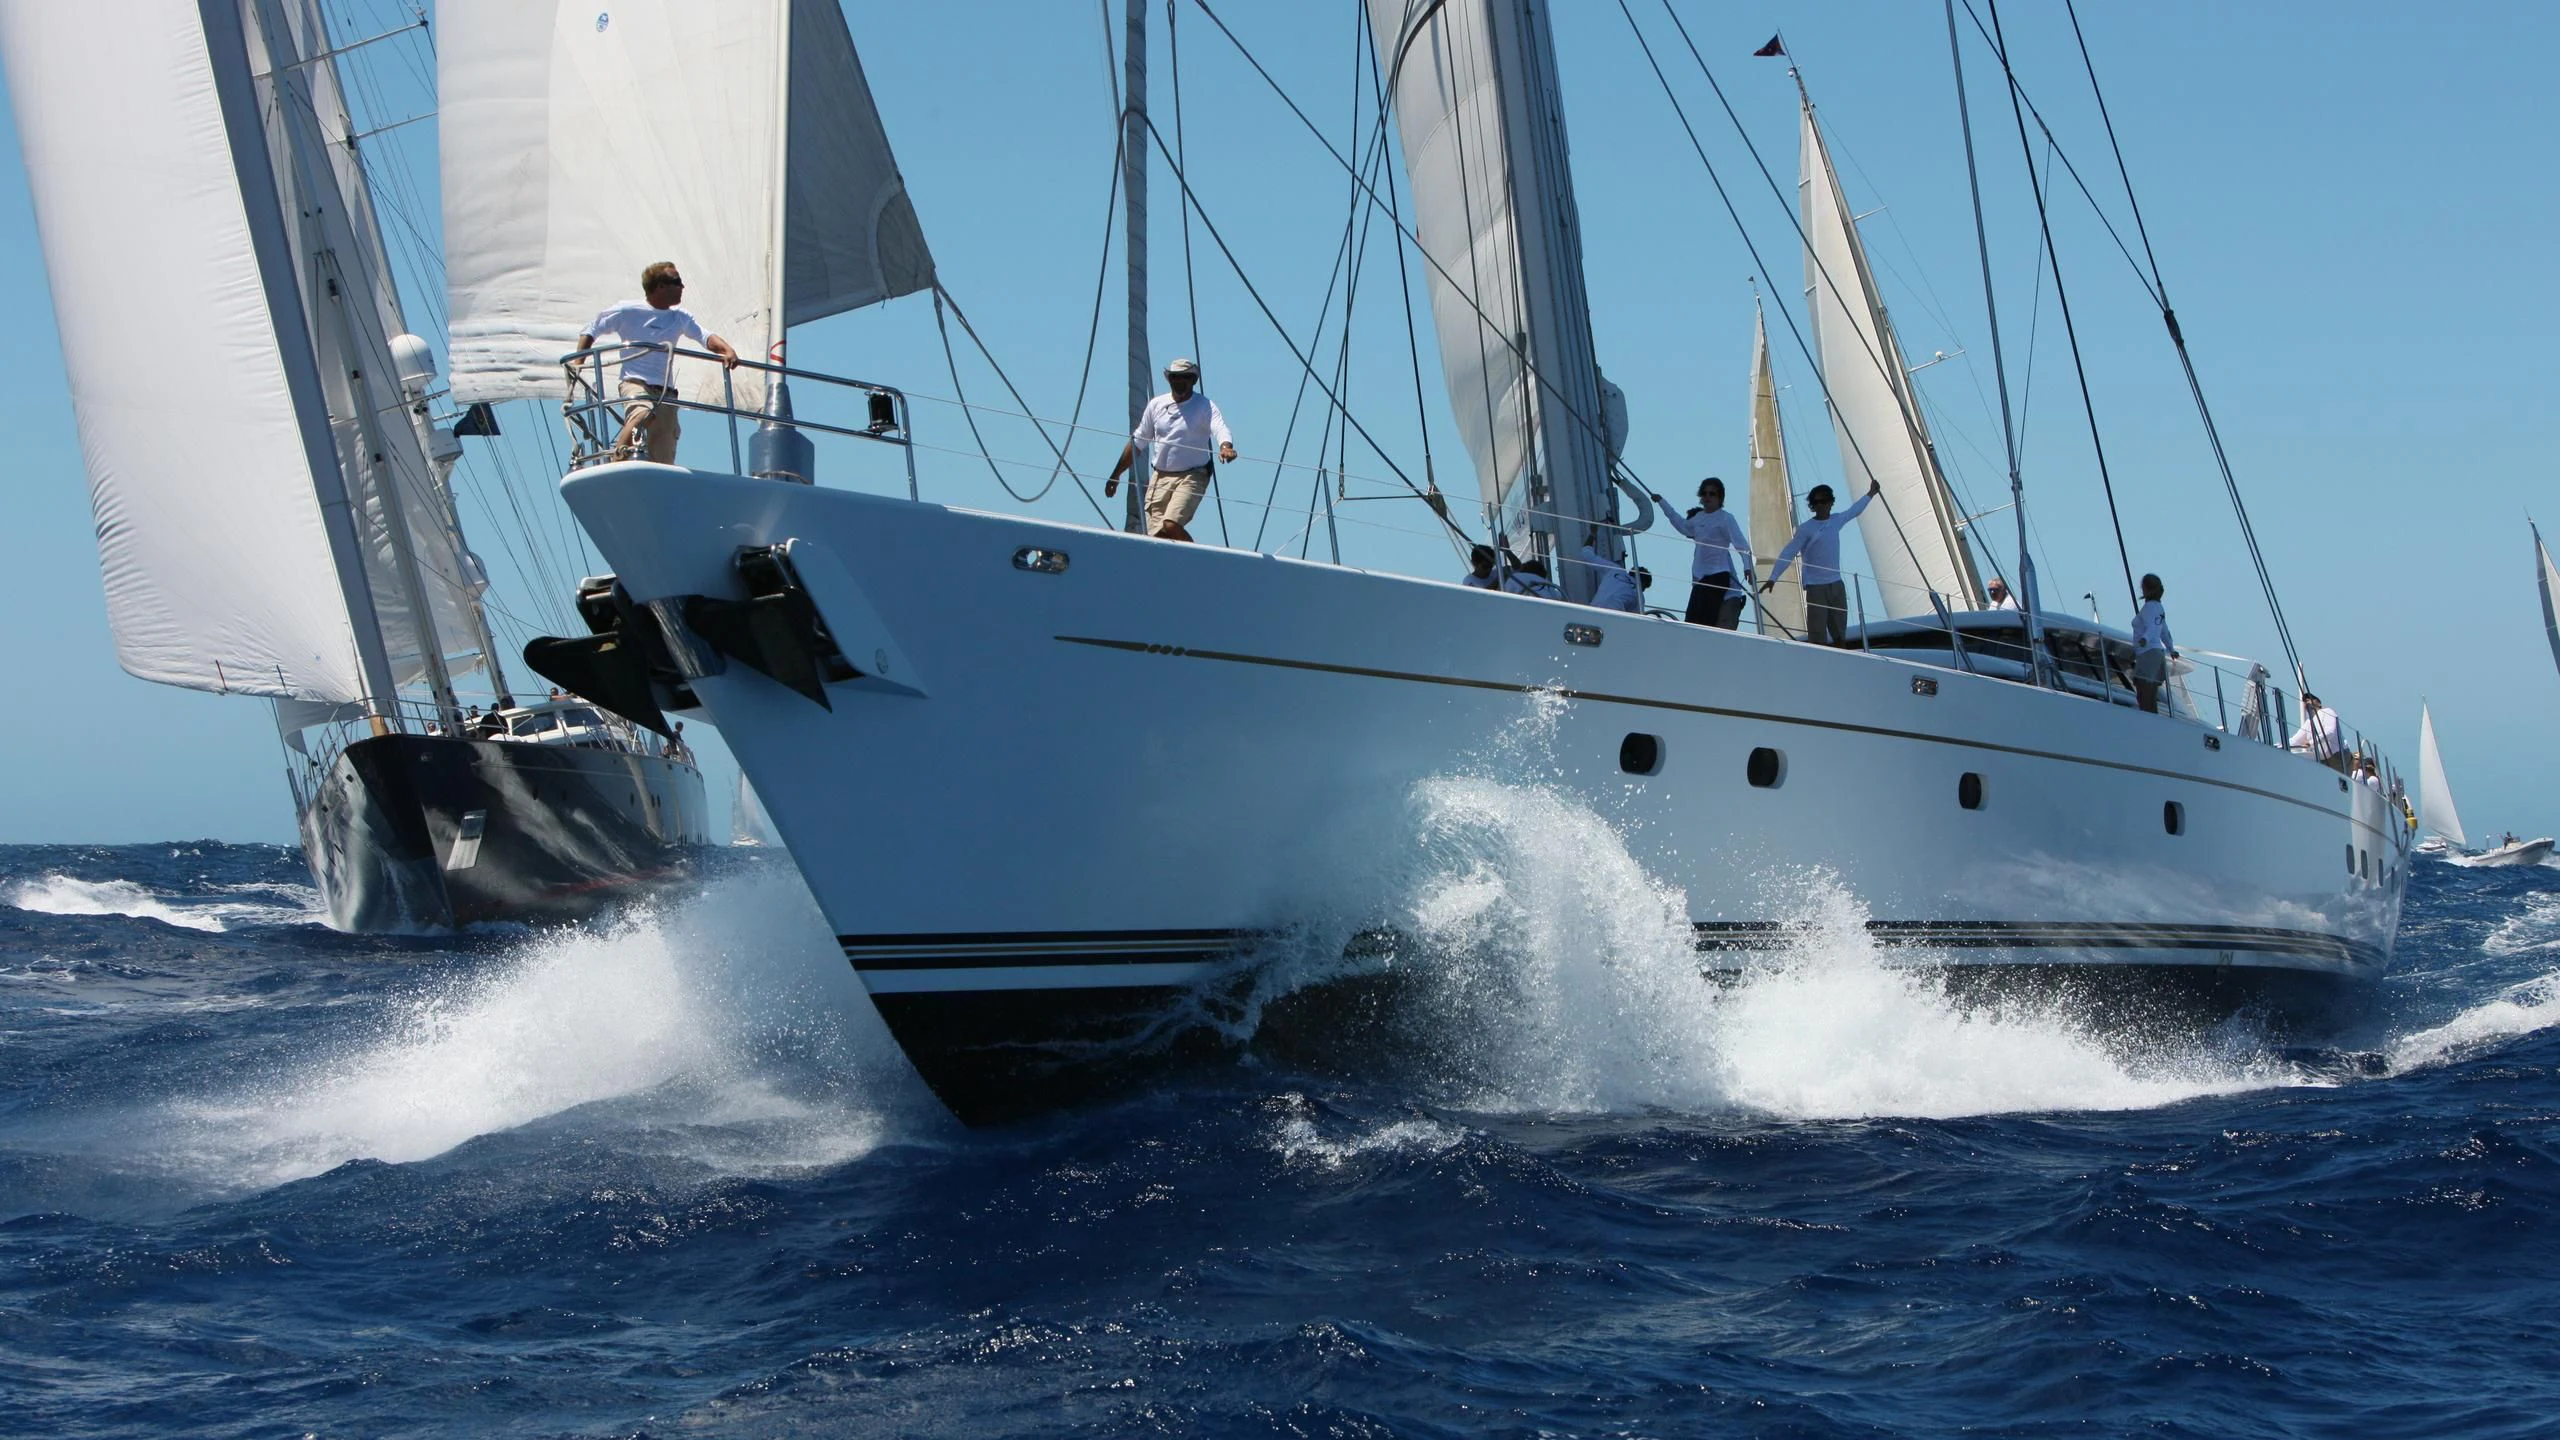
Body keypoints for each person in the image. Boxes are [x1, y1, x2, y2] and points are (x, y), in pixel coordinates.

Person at [576, 261, 741, 463]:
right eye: (677, 281)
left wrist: (726, 350)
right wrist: (578, 364)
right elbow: (591, 329)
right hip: (635, 383)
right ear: (661, 286)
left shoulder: (680, 317)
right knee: (643, 413)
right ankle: (617, 460)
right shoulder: (628, 311)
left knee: (664, 453)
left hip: (666, 391)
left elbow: (704, 336)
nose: (682, 287)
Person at [1106, 357, 1237, 542]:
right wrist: (1115, 474)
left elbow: (1220, 428)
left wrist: (1225, 446)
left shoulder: (1204, 406)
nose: (1179, 381)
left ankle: (1198, 560)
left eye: (1185, 377)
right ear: (1169, 379)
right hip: (1160, 477)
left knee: (1171, 524)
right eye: (1175, 377)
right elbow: (1138, 443)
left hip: (1193, 475)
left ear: (1193, 380)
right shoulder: (1156, 405)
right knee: (1158, 537)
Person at [1761, 480, 1879, 646]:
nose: (1820, 505)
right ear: (1812, 506)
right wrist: (1773, 577)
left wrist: (1871, 493)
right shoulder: (1806, 529)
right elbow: (1789, 552)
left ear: (1830, 503)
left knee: (1839, 634)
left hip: (1836, 585)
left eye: (1823, 501)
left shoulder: (1837, 520)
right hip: (1816, 587)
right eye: (1816, 502)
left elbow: (1854, 511)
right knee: (1818, 636)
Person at [1648, 477, 1755, 629]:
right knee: (1691, 620)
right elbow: (1682, 526)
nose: (1707, 497)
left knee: (1706, 621)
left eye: (1712, 494)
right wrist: (1662, 503)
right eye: (1704, 494)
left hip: (1718, 576)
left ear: (1720, 497)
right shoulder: (1698, 518)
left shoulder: (1726, 518)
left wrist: (1747, 566)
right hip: (1700, 579)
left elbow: (1741, 543)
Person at [2130, 573, 2173, 714]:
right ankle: (2152, 716)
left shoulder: (2149, 608)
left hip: (2147, 652)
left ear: (2145, 588)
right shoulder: (2159, 608)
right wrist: (2171, 649)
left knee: (2143, 687)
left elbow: (2152, 628)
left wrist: (2145, 639)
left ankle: (2148, 716)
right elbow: (2164, 631)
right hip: (2157, 653)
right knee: (2150, 690)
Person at [1582, 541, 1647, 613]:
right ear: (1643, 584)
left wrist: (1592, 535)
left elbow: (1586, 555)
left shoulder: (1615, 569)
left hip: (1592, 610)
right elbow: (1637, 619)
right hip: (1613, 617)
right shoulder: (1639, 594)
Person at [2290, 692, 2347, 770]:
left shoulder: (2327, 712)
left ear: (2318, 703)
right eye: (2304, 701)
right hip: (2322, 760)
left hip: (2338, 757)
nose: (2306, 702)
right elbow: (2296, 740)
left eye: (2309, 699)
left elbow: (2330, 732)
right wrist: (2280, 746)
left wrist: (2311, 742)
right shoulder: (2309, 722)